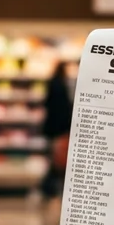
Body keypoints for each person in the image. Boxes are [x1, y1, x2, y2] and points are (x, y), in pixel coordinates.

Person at [41, 60, 73, 198]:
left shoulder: (51, 83)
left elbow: (47, 104)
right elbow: (64, 109)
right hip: (59, 129)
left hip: (51, 128)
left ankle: (49, 186)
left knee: (54, 157)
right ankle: (49, 186)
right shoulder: (61, 85)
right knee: (58, 159)